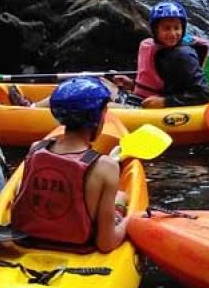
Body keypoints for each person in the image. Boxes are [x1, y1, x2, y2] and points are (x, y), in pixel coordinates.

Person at [8, 0, 209, 111]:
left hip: (149, 109)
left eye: (177, 28)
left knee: (88, 96)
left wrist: (166, 102)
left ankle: (32, 110)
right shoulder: (156, 48)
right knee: (89, 81)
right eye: (167, 28)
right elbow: (159, 81)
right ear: (155, 30)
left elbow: (203, 94)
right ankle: (34, 107)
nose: (173, 33)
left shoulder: (183, 57)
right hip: (137, 98)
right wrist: (132, 84)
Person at [10, 77, 128, 253]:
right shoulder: (107, 167)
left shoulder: (37, 148)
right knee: (122, 197)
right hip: (77, 247)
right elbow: (106, 243)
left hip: (28, 240)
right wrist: (131, 220)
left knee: (19, 186)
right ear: (98, 117)